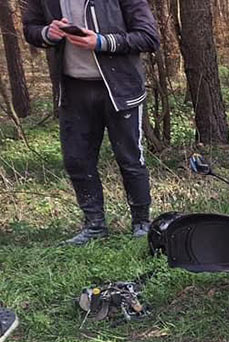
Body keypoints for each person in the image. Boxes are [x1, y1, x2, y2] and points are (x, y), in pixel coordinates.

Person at [23, 0, 160, 245]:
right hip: (73, 88)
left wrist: (101, 42)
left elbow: (148, 37)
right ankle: (94, 225)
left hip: (121, 87)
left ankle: (141, 222)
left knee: (130, 158)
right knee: (77, 159)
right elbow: (30, 28)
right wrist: (47, 33)